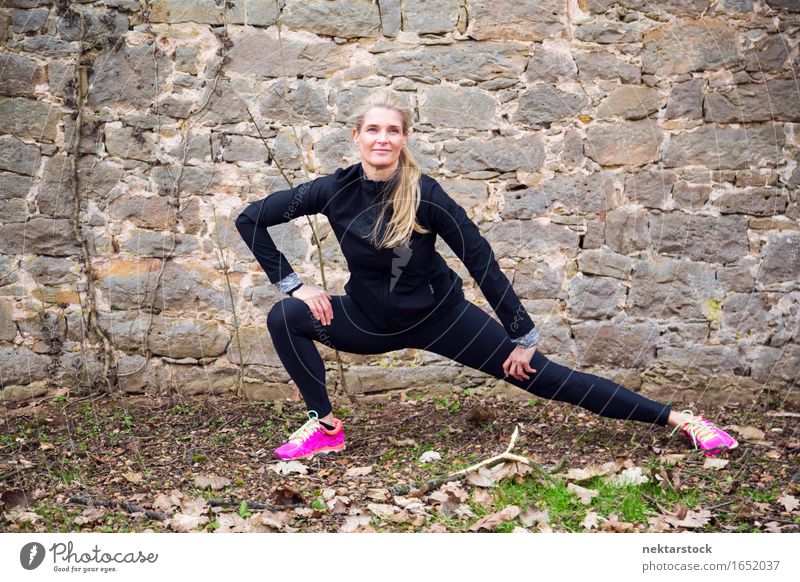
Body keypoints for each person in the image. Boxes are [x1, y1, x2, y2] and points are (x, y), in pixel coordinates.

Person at [235, 89, 737, 462]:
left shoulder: (425, 195)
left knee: (546, 379)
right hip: (366, 320)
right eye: (373, 129)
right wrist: (296, 284)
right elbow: (251, 218)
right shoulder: (332, 190)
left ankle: (683, 420)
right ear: (357, 137)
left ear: (404, 138)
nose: (382, 138)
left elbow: (480, 259)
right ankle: (324, 428)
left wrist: (522, 334)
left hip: (442, 319)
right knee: (285, 317)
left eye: (392, 130)